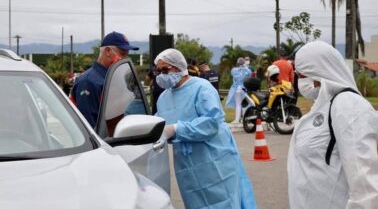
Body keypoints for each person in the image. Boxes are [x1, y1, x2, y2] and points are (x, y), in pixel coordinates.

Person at [154, 49, 257, 209]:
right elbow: (158, 122)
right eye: (158, 71)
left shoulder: (201, 88)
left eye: (165, 70)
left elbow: (211, 122)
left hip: (215, 160)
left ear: (178, 67)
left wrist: (176, 129)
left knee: (224, 202)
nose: (161, 75)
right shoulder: (163, 98)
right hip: (187, 166)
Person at [287, 41, 378, 209]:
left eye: (301, 75)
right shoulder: (325, 104)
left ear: (317, 70)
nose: (299, 80)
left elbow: (364, 184)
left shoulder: (349, 105)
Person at [70, 31, 139, 127]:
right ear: (107, 51)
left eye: (127, 55)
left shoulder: (114, 77)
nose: (125, 59)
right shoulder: (88, 82)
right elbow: (88, 127)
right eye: (123, 54)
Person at [225, 57, 252, 124]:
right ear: (243, 63)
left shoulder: (234, 70)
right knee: (245, 104)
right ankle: (243, 118)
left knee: (238, 105)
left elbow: (233, 74)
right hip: (243, 89)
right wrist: (245, 67)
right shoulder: (245, 70)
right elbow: (250, 73)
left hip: (236, 89)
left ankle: (237, 119)